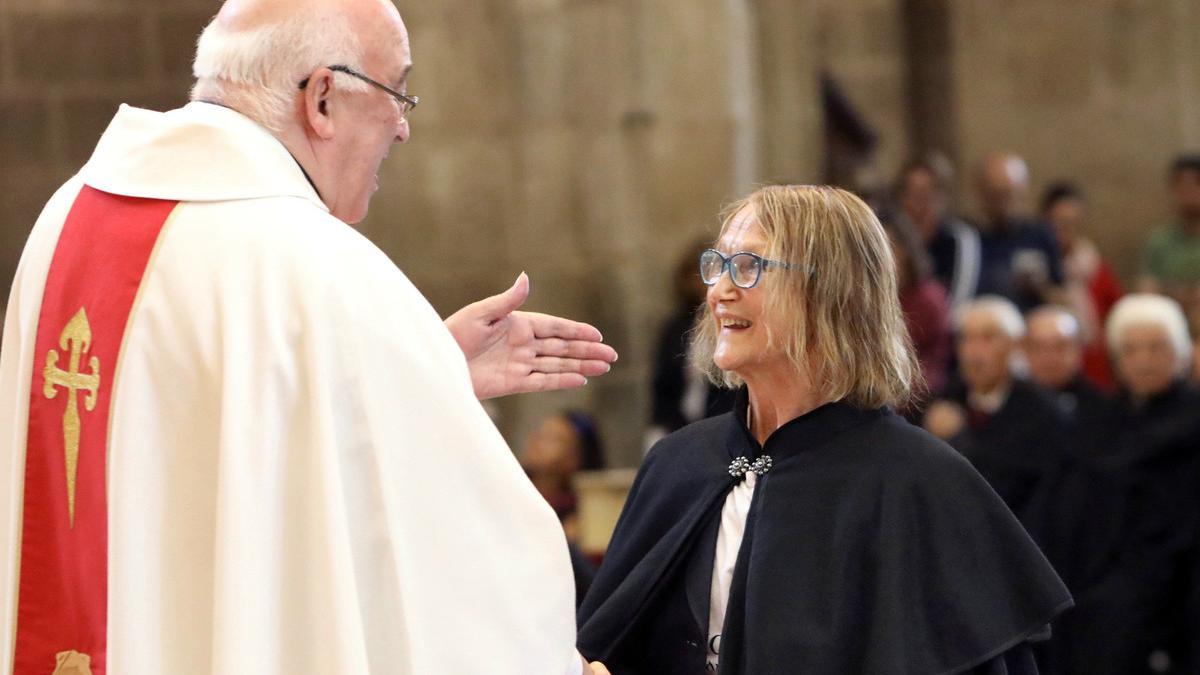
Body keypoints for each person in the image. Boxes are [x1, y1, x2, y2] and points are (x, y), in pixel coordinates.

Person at [0, 1, 618, 673]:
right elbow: (471, 573)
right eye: (396, 93)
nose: (403, 128)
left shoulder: (64, 222)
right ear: (322, 96)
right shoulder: (317, 268)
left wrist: (417, 366)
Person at [577, 186, 1071, 674]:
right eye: (718, 264)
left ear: (831, 291)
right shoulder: (678, 463)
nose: (720, 290)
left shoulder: (920, 482)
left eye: (749, 266)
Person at [1067, 294, 1200, 675]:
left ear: (1181, 354)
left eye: (1157, 348)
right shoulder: (1099, 421)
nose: (1143, 360)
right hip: (1105, 578)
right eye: (1131, 349)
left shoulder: (1193, 419)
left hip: (1178, 586)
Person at [922, 298, 1072, 549]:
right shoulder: (940, 400)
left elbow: (1004, 490)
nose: (973, 352)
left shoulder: (1042, 413)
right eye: (965, 339)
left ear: (1014, 346)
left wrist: (959, 439)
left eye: (988, 338)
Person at [647, 240, 736, 449]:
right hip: (680, 421)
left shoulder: (733, 318)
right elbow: (663, 384)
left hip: (722, 420)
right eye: (696, 274)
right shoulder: (676, 326)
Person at [1040, 183, 1123, 388]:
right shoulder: (1037, 272)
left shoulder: (1095, 268)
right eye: (1059, 223)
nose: (1065, 231)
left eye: (1072, 223)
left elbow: (1115, 314)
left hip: (1093, 371)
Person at [972, 153, 1065, 313]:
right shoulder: (970, 238)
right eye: (996, 194)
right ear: (982, 194)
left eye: (1009, 193)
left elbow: (1063, 295)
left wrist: (1041, 287)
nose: (1004, 203)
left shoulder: (1040, 235)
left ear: (1023, 191)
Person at [880, 211, 951, 414]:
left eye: (890, 247)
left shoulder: (928, 300)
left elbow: (928, 369)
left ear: (906, 250)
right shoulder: (862, 297)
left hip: (919, 402)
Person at [896, 159, 981, 309]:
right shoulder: (892, 238)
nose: (916, 206)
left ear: (942, 198)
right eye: (910, 195)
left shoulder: (957, 238)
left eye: (924, 196)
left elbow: (958, 301)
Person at [1022, 305, 1109, 421]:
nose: (1050, 358)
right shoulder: (1008, 409)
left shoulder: (1103, 409)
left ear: (1078, 350)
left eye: (1060, 347)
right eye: (1039, 348)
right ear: (1024, 351)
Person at [1139, 156, 1200, 321]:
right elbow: (1148, 294)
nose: (1187, 191)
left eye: (1196, 183)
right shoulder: (1160, 241)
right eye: (1180, 184)